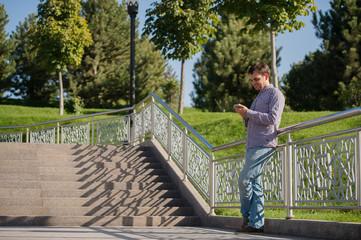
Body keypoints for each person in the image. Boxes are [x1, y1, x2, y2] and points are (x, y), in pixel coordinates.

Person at [233, 62, 285, 233]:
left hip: (264, 144)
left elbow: (272, 119)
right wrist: (244, 115)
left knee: (244, 180)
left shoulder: (275, 94)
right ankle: (256, 224)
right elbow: (251, 122)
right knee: (255, 185)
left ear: (266, 76)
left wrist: (248, 113)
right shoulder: (258, 97)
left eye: (256, 79)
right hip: (252, 145)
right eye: (251, 81)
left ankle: (247, 217)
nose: (254, 83)